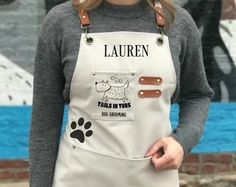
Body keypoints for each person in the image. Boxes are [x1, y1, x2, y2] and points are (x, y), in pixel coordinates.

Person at [29, 0, 214, 186]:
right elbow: (44, 124)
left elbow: (197, 95)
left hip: (154, 176)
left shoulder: (177, 22)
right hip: (78, 176)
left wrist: (182, 141)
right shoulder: (61, 21)